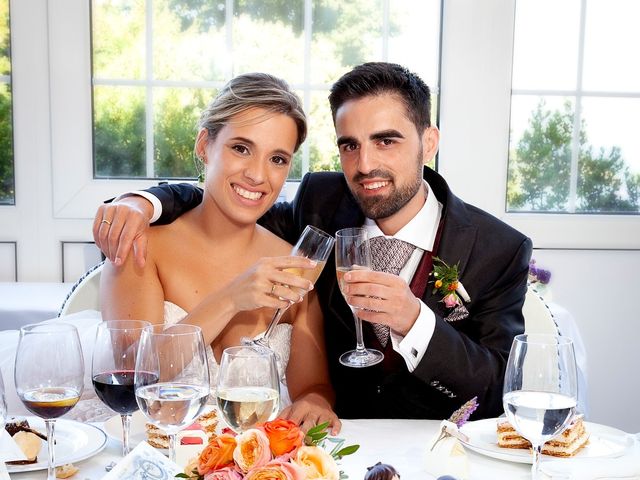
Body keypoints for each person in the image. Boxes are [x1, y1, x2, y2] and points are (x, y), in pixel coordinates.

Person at [94, 62, 532, 420]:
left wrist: (414, 320)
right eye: (350, 146)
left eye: (386, 141)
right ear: (205, 145)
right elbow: (224, 204)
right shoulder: (317, 214)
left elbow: (499, 393)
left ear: (429, 141)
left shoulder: (498, 249)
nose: (366, 165)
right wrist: (144, 202)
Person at [99, 72, 340, 433]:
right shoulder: (143, 247)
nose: (258, 175)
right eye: (241, 148)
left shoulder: (295, 265)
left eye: (277, 159)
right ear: (204, 145)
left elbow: (314, 389)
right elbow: (134, 377)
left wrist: (315, 403)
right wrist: (231, 298)